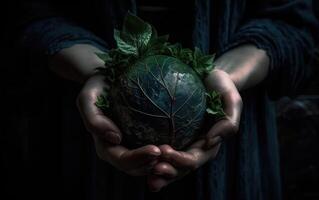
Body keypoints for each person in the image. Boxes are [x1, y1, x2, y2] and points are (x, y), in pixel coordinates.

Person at [3, 0, 318, 199]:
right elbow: (26, 15)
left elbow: (294, 19)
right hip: (77, 147)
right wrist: (97, 70)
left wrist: (227, 77)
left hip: (236, 164)